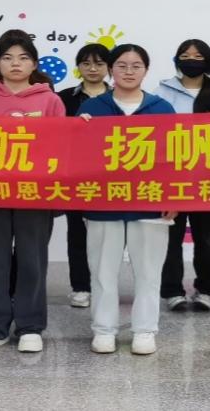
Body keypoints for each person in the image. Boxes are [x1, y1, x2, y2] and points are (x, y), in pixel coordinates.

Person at [0, 30, 65, 354]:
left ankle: (30, 326)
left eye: (23, 58)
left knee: (32, 259)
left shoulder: (50, 100)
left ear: (34, 64)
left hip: (34, 192)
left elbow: (61, 147)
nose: (16, 64)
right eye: (7, 58)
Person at [77, 44, 176, 355]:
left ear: (146, 70)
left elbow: (176, 157)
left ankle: (144, 330)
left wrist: (174, 195)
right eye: (121, 65)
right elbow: (76, 157)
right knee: (102, 271)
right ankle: (103, 329)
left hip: (150, 200)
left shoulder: (162, 108)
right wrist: (79, 131)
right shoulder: (92, 108)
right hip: (103, 202)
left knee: (148, 272)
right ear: (111, 69)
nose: (129, 71)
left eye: (136, 66)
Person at [154, 38, 210, 311]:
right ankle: (172, 290)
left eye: (198, 56)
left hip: (209, 175)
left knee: (206, 237)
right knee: (171, 238)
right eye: (185, 55)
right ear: (177, 60)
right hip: (173, 174)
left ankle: (207, 289)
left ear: (208, 61)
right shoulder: (162, 90)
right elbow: (154, 131)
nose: (191, 60)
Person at [56, 42, 113, 309]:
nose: (92, 69)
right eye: (86, 63)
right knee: (77, 232)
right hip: (74, 174)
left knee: (109, 234)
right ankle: (80, 286)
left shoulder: (119, 97)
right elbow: (54, 133)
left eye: (99, 64)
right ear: (78, 66)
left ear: (108, 67)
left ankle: (106, 285)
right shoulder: (63, 97)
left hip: (110, 175)